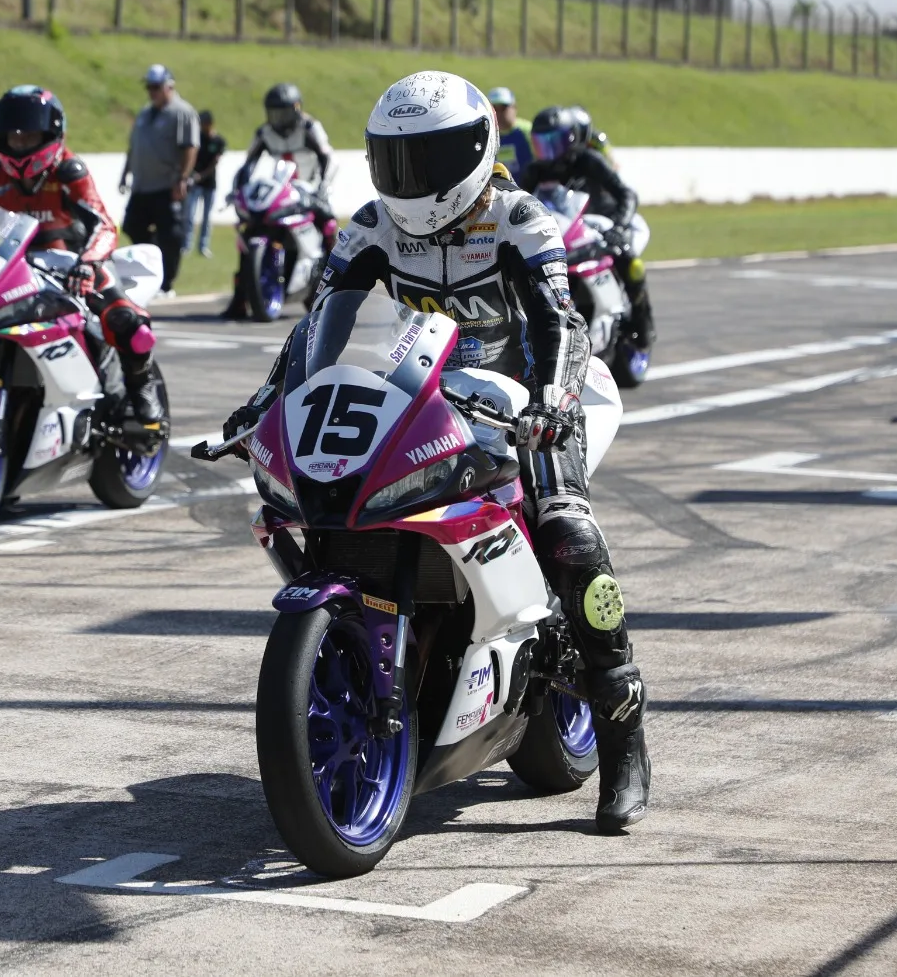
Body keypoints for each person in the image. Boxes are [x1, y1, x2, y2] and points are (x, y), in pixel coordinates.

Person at [219, 70, 649, 833]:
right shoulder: (369, 227)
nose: (409, 179)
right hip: (419, 392)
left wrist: (551, 398)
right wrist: (264, 403)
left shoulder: (521, 217)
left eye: (429, 159)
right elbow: (317, 326)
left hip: (526, 396)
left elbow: (559, 321)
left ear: (477, 150)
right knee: (341, 505)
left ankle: (624, 740)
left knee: (567, 533)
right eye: (396, 159)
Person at [0, 85, 164, 427]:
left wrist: (88, 263)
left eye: (28, 134)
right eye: (12, 134)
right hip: (12, 272)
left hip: (72, 266)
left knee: (127, 322)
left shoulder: (69, 171)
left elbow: (104, 224)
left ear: (51, 132)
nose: (19, 140)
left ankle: (142, 387)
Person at [521, 105, 654, 350]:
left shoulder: (588, 161)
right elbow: (517, 201)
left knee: (630, 261)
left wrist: (620, 225)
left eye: (554, 142)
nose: (548, 150)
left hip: (604, 222)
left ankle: (643, 321)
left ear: (570, 138)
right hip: (567, 230)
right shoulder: (536, 170)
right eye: (542, 143)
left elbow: (626, 194)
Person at [222, 82, 339, 318]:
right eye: (274, 112)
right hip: (283, 186)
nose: (279, 118)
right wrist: (239, 189)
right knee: (251, 228)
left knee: (328, 222)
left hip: (312, 185)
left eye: (283, 112)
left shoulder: (309, 127)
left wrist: (322, 187)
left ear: (296, 109)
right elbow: (248, 164)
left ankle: (339, 275)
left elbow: (326, 156)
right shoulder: (264, 132)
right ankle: (240, 297)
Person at [120, 64, 199, 297]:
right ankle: (149, 270)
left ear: (169, 87)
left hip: (167, 186)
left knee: (170, 236)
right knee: (132, 226)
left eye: (156, 87)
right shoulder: (145, 113)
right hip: (143, 185)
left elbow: (189, 147)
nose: (151, 92)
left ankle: (166, 284)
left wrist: (182, 178)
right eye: (149, 87)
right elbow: (134, 146)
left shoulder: (181, 112)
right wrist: (125, 173)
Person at [181, 110, 224, 259]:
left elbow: (215, 162)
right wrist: (192, 174)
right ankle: (186, 245)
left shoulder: (218, 141)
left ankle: (203, 246)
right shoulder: (197, 138)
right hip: (195, 184)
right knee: (190, 215)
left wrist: (201, 175)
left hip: (209, 184)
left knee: (206, 217)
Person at [489, 86, 532, 181]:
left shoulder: (527, 131)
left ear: (514, 108)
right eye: (495, 109)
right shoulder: (487, 135)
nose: (499, 113)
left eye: (503, 108)